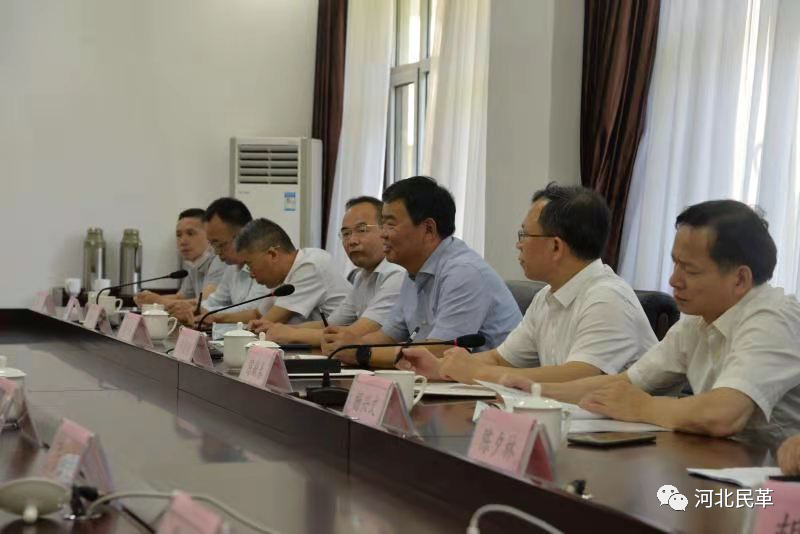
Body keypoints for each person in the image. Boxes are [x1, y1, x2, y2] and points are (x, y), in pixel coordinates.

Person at [534, 200, 800, 441]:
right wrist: (533, 389)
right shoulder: (696, 320)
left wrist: (643, 406)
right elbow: (625, 383)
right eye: (675, 264)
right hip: (724, 463)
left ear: (740, 279)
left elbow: (722, 415)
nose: (674, 280)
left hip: (774, 472)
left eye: (690, 270)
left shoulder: (775, 319)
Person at [397, 183, 656, 384]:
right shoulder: (546, 297)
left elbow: (578, 376)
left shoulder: (606, 298)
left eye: (525, 234)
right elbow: (501, 358)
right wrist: (441, 366)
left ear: (556, 246)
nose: (518, 244)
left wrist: (476, 372)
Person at [323, 176, 521, 368]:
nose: (382, 234)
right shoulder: (413, 272)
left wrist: (361, 353)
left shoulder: (464, 272)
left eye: (390, 224)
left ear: (428, 229)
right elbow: (388, 336)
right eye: (382, 224)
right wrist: (347, 345)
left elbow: (438, 352)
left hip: (495, 385)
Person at [250, 196, 404, 347]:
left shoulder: (396, 274)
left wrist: (291, 335)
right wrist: (281, 329)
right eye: (346, 234)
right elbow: (331, 324)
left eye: (361, 230)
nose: (352, 241)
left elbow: (356, 334)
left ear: (385, 230)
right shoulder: (362, 277)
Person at [168, 198, 269, 325]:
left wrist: (209, 314)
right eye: (212, 244)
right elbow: (215, 301)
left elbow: (254, 310)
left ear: (242, 235)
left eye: (220, 245)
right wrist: (195, 310)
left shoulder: (266, 262)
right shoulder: (232, 267)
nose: (216, 252)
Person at [235, 218, 351, 326]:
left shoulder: (310, 266)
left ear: (272, 254)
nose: (251, 274)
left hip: (345, 338)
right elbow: (257, 314)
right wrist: (223, 317)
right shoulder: (285, 276)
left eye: (250, 265)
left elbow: (266, 324)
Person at [134, 208, 225, 308]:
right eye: (179, 235)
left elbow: (203, 304)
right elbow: (180, 297)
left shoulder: (221, 261)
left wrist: (157, 301)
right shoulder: (195, 265)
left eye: (190, 233)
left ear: (209, 235)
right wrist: (148, 299)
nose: (182, 241)